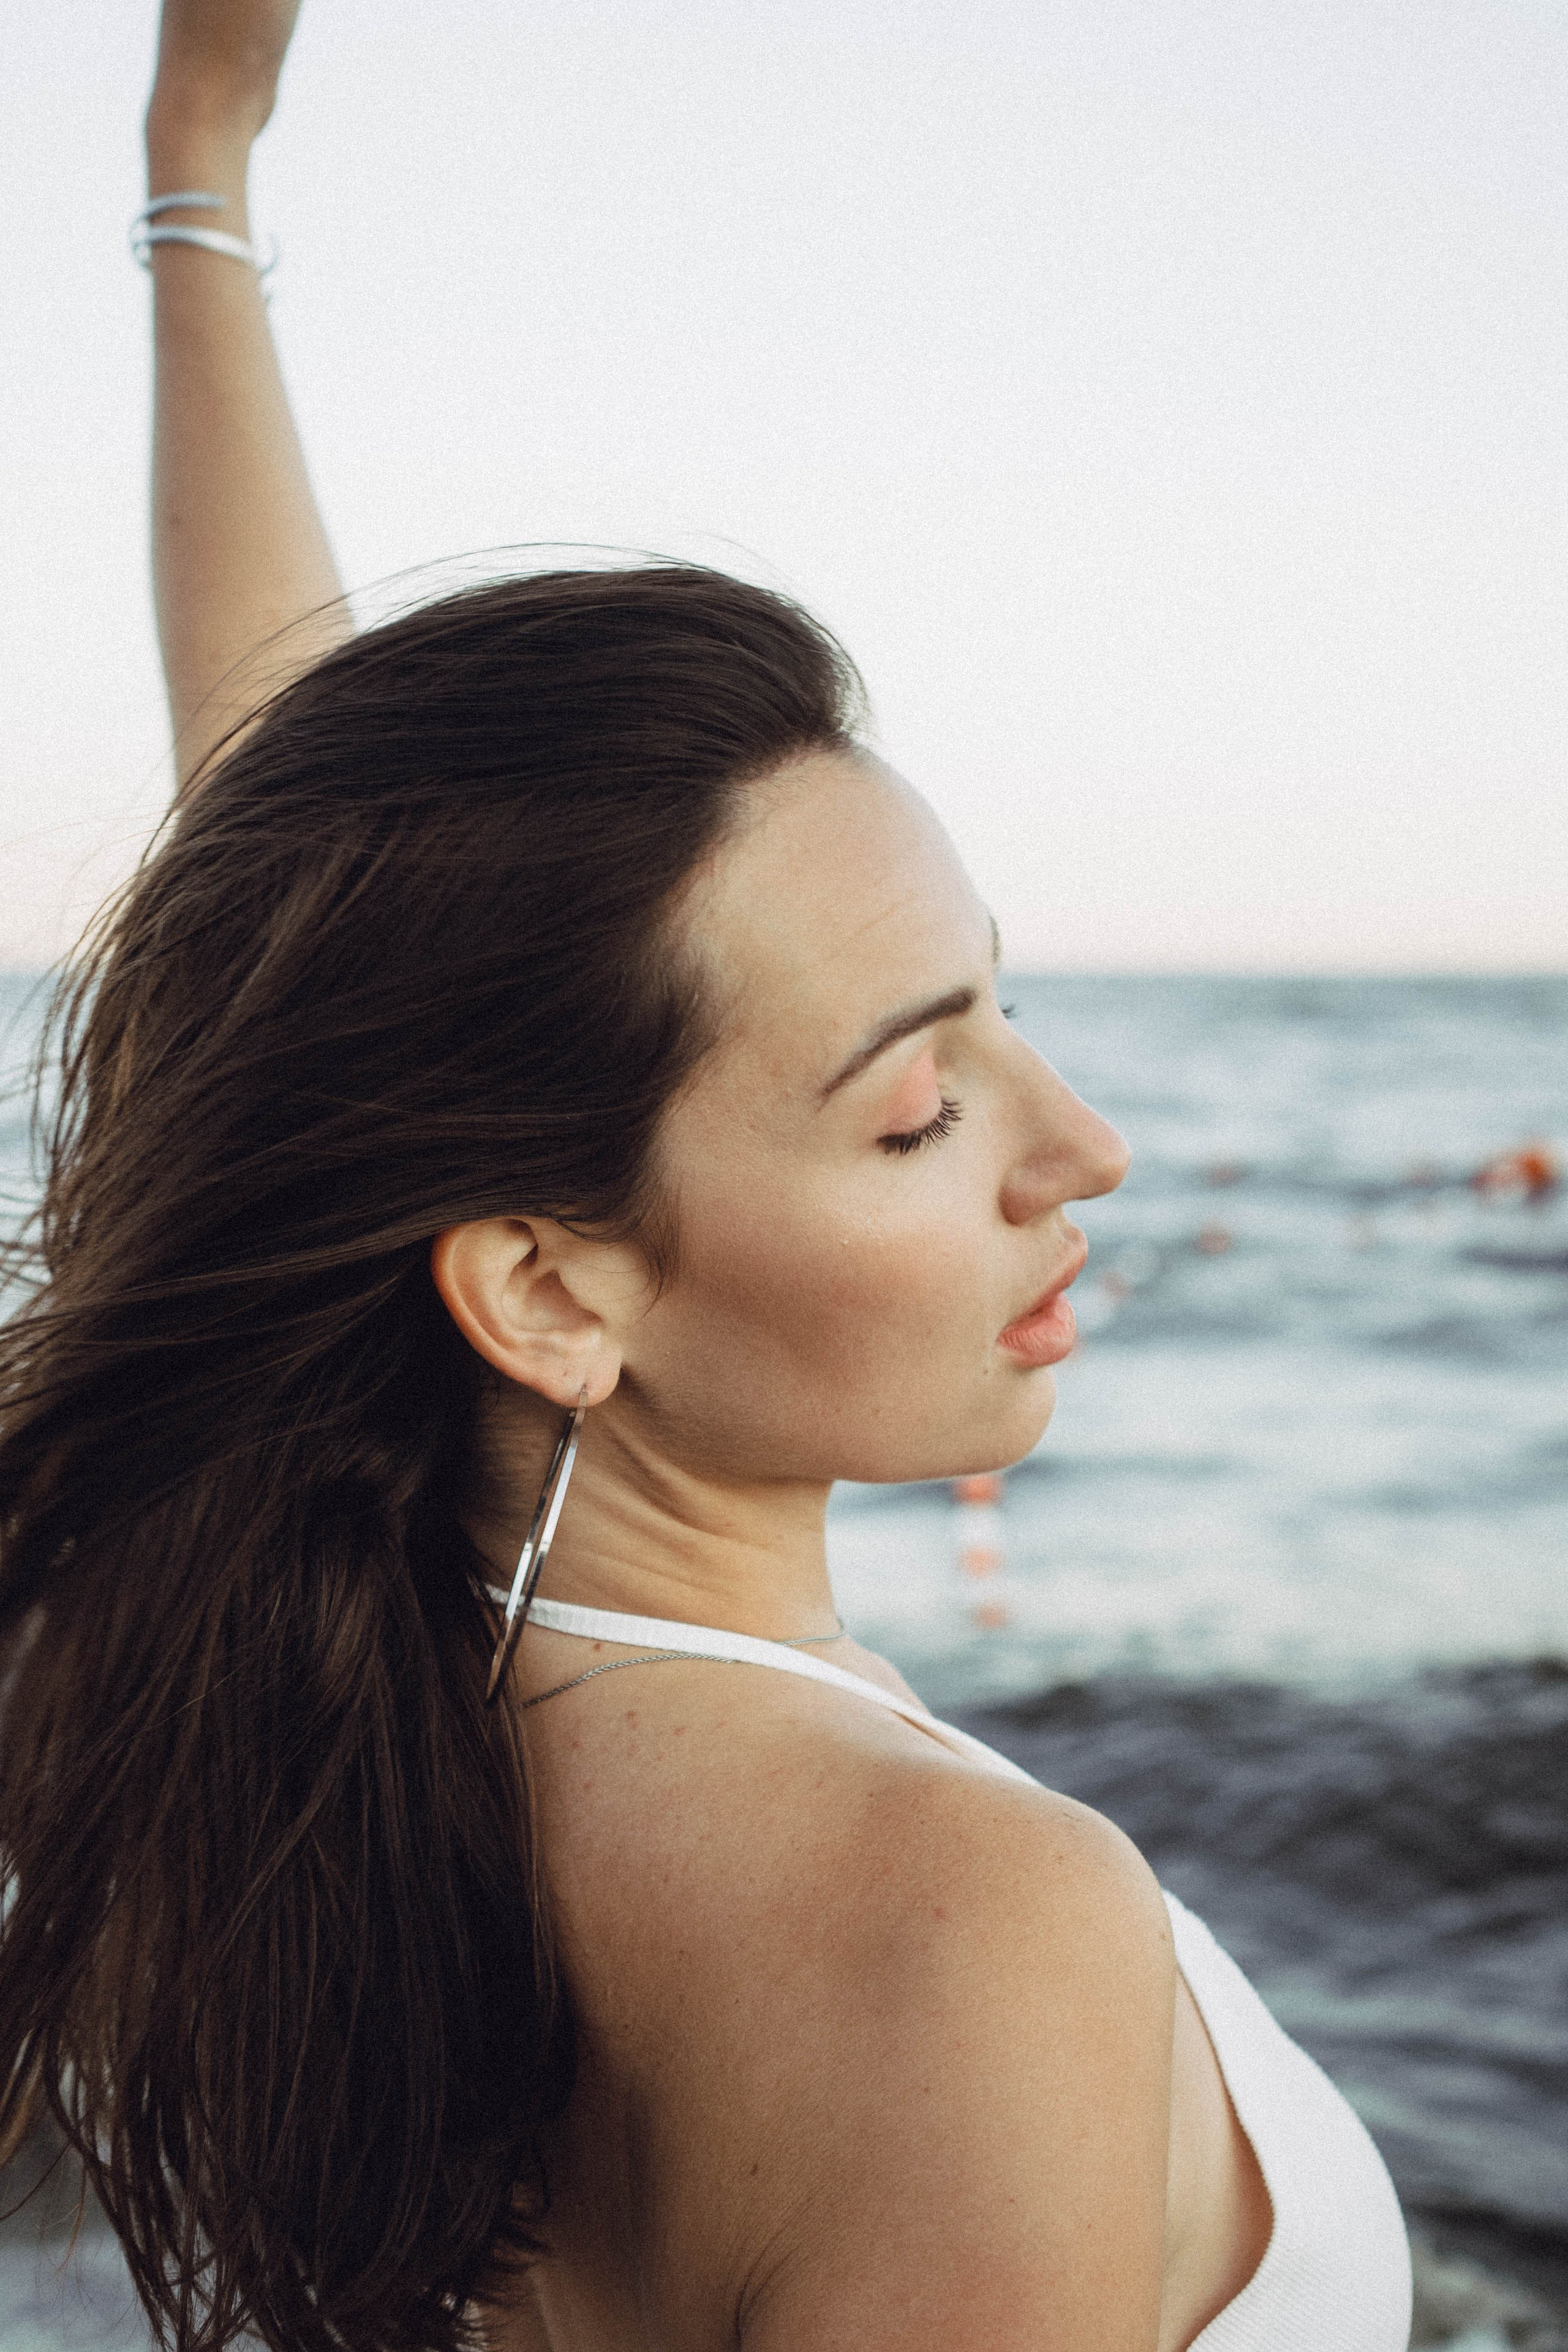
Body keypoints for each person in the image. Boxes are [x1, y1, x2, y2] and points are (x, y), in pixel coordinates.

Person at [0, 6, 1413, 2348]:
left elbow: (317, 897)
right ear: (548, 1290)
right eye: (915, 1102)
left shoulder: (275, 1747)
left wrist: (199, 182)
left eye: (1008, 1006)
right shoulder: (963, 1922)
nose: (1083, 1148)